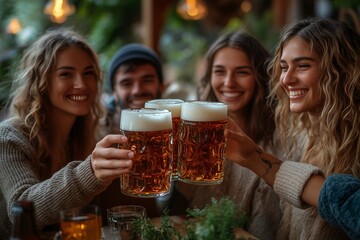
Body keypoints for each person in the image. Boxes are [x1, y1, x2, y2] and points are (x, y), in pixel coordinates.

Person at [226, 18, 360, 239]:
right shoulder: (300, 136)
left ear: (339, 70)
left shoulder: (353, 145)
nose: (286, 79)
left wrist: (255, 158)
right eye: (284, 67)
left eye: (303, 65)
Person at [0, 28, 134, 238]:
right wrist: (89, 172)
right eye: (66, 74)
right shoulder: (9, 138)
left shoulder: (90, 135)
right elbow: (21, 208)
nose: (81, 84)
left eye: (88, 73)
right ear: (42, 82)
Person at [175, 30, 284, 240]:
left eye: (242, 72)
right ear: (209, 77)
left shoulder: (280, 139)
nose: (229, 82)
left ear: (260, 76)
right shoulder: (194, 136)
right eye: (219, 71)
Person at [105, 43, 164, 134]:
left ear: (161, 86)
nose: (137, 90)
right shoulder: (94, 133)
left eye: (147, 80)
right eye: (126, 83)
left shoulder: (178, 131)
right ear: (114, 92)